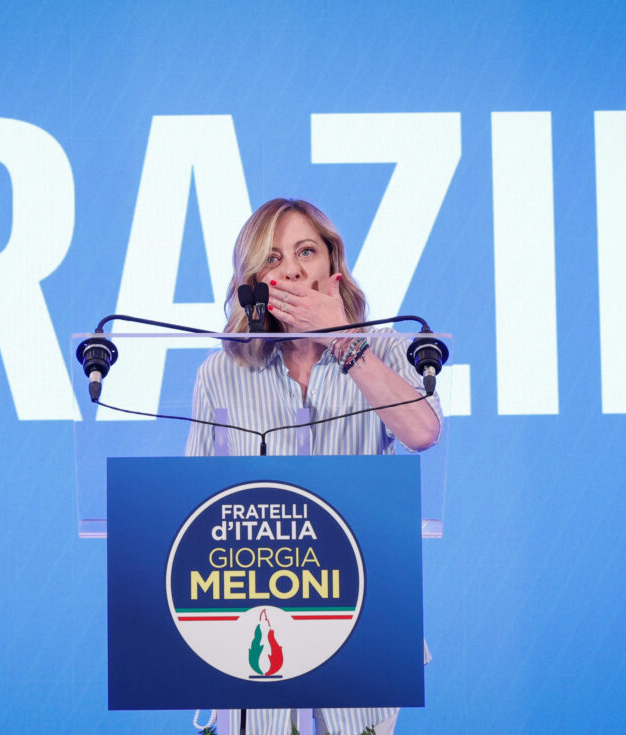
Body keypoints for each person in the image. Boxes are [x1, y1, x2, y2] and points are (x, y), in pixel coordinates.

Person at [185, 198, 441, 735]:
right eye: (273, 258)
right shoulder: (220, 373)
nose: (293, 270)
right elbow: (193, 513)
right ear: (254, 282)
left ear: (332, 266)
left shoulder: (386, 349)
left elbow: (422, 432)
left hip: (361, 632)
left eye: (306, 252)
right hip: (256, 640)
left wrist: (342, 341)